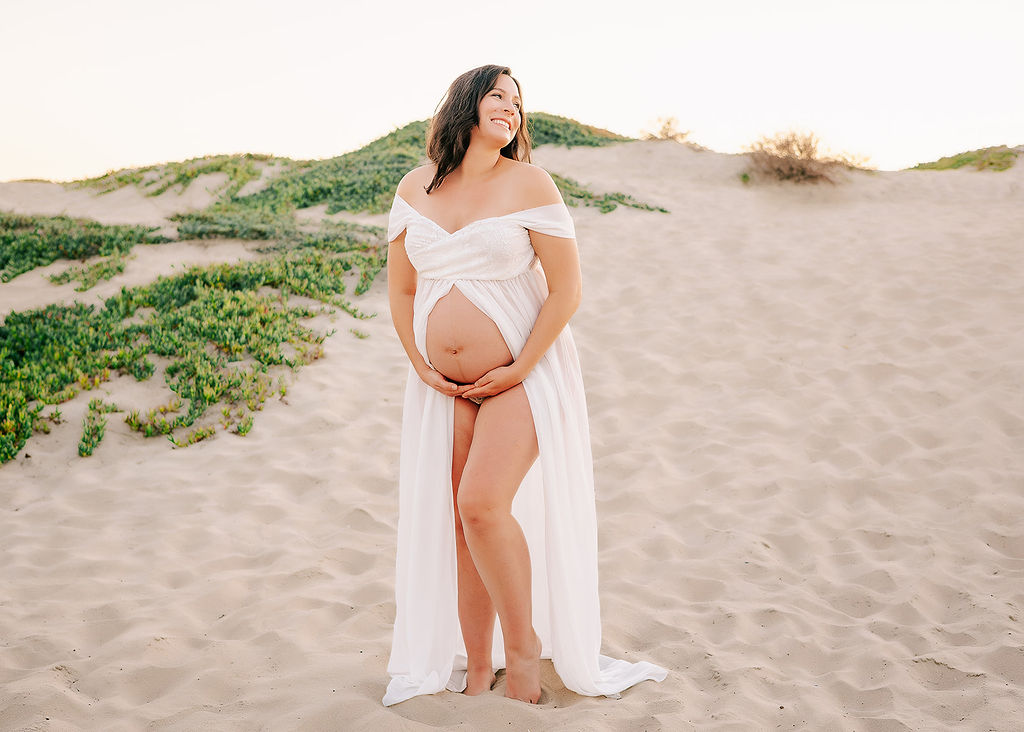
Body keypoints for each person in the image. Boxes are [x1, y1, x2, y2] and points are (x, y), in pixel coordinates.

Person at [382, 64, 667, 706]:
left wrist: (519, 365)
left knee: (482, 506)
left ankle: (524, 655)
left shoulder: (531, 183)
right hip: (442, 385)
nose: (510, 110)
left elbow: (567, 290)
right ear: (464, 105)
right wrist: (420, 363)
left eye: (518, 103)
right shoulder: (414, 188)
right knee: (461, 526)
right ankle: (477, 666)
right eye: (497, 96)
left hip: (522, 374)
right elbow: (401, 288)